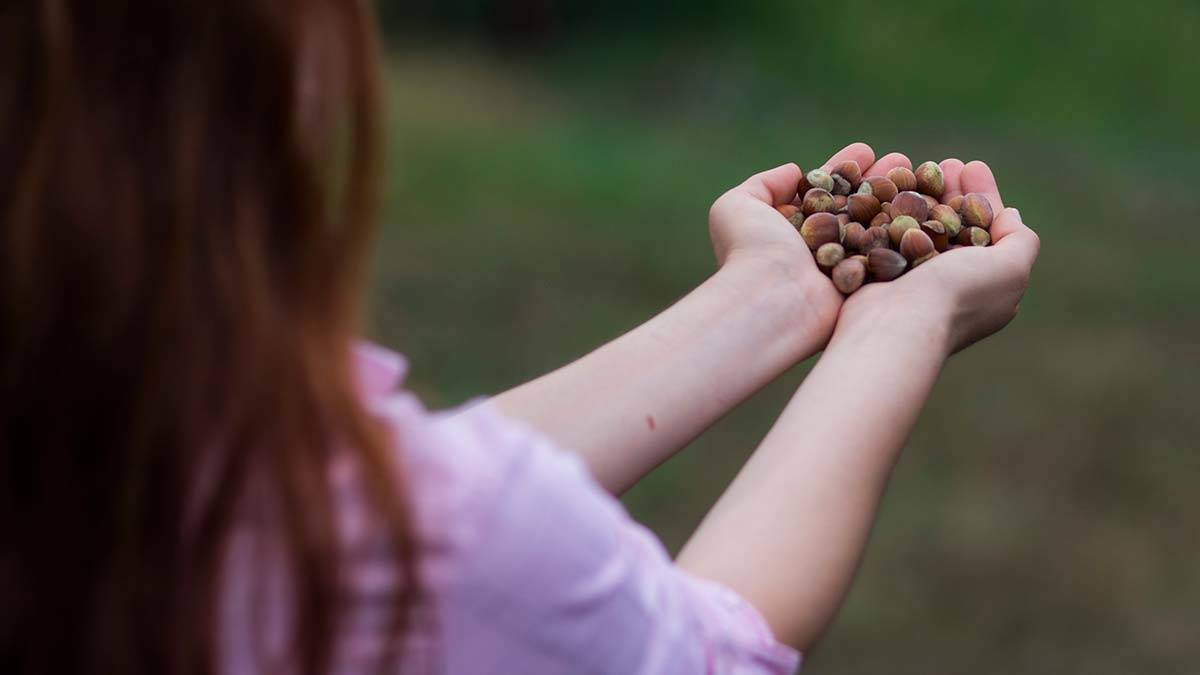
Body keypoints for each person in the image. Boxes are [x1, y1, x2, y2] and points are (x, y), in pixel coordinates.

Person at [0, 2, 1040, 674]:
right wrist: (896, 332)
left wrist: (770, 298)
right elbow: (706, 653)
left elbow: (394, 498)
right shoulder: (428, 559)